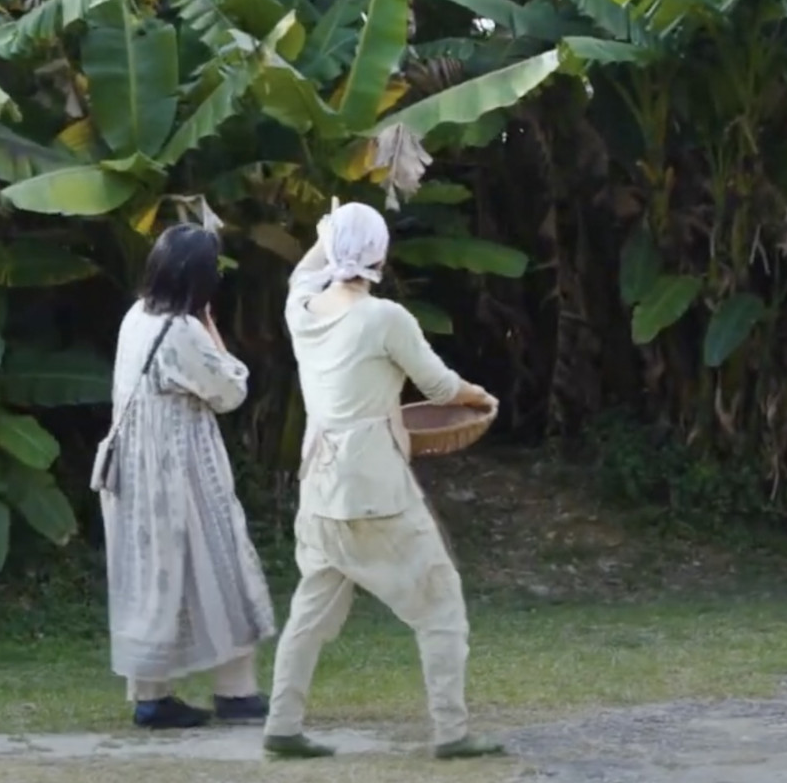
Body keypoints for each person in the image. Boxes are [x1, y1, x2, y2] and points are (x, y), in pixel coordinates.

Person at [262, 202, 504, 760]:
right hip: (374, 489)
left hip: (321, 487)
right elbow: (441, 388)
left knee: (311, 609)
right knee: (441, 604)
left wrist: (325, 235)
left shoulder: (302, 308)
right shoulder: (384, 318)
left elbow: (305, 270)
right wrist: (480, 397)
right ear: (380, 253)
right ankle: (452, 732)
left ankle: (282, 722)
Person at [96, 223, 276, 730]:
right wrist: (214, 330)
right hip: (183, 471)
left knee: (152, 580)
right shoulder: (182, 332)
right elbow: (231, 391)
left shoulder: (137, 317)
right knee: (224, 569)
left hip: (135, 473)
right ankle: (236, 692)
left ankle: (151, 696)